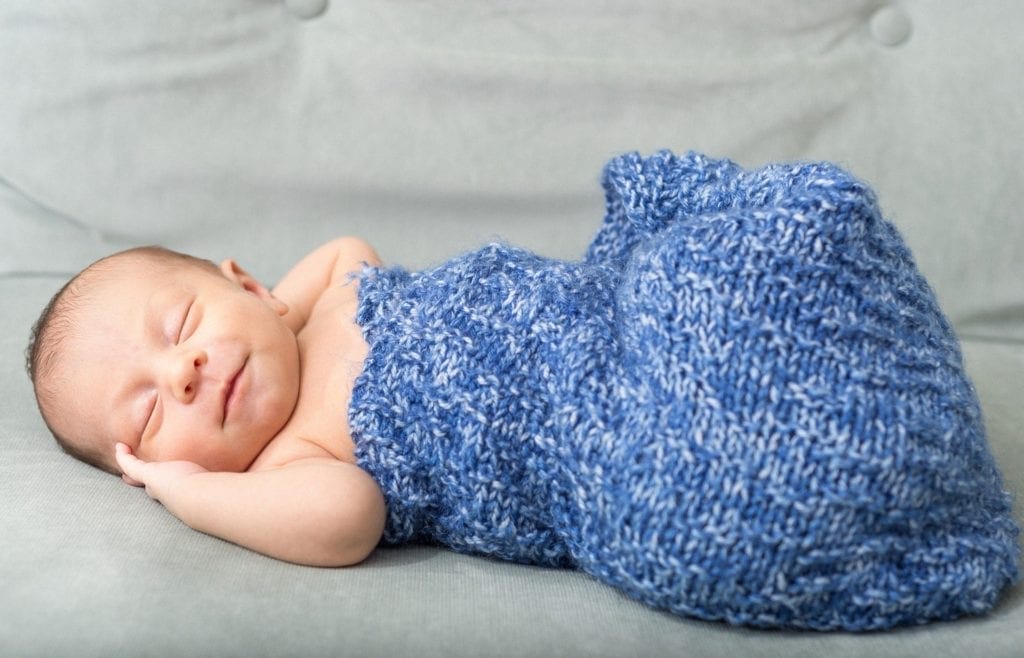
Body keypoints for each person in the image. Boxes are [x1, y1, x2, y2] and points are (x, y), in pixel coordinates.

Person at [26, 150, 1019, 631]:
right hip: (594, 432)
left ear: (245, 282)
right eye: (152, 411)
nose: (186, 370)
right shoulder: (300, 459)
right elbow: (344, 520)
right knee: (691, 509)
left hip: (605, 318)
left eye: (181, 325)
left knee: (717, 266)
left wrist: (272, 318)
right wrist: (188, 489)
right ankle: (902, 485)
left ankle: (855, 353)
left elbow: (341, 253)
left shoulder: (326, 298)